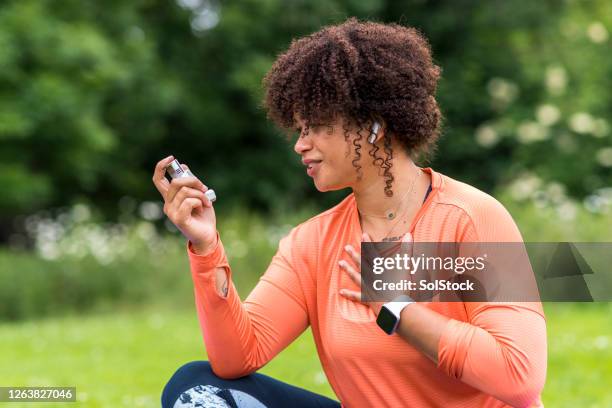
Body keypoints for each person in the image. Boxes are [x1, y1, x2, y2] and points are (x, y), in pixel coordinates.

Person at [155, 18, 547, 408]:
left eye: (315, 127)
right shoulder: (312, 242)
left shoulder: (473, 217)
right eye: (298, 129)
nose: (300, 145)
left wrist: (397, 307)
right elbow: (237, 357)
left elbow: (519, 377)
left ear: (374, 126)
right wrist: (206, 247)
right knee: (196, 388)